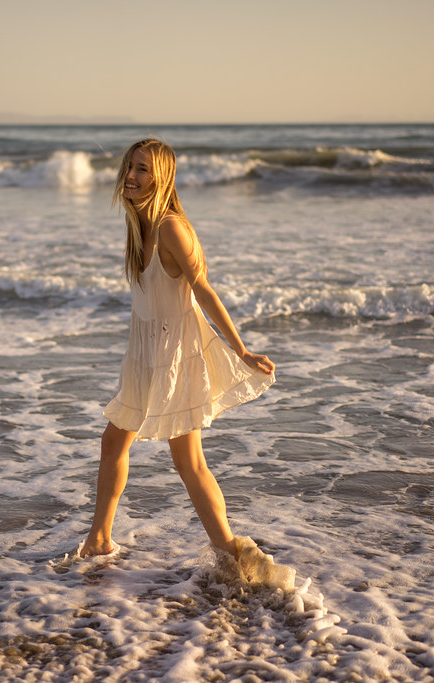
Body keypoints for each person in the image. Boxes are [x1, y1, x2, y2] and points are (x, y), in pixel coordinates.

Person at [80, 139, 276, 560]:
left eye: (143, 170)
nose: (131, 176)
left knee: (189, 461)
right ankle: (99, 539)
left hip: (175, 355)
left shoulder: (171, 227)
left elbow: (202, 289)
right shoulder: (140, 225)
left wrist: (240, 351)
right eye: (130, 167)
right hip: (146, 353)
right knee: (113, 444)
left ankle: (230, 550)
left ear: (162, 178)